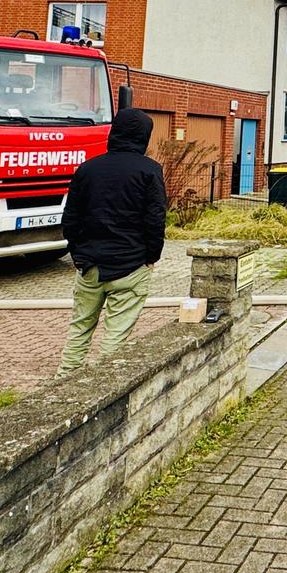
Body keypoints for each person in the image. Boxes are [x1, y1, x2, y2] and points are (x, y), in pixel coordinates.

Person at [55, 106, 167, 377]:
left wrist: (78, 254)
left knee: (79, 328)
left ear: (113, 132)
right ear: (144, 137)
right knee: (115, 340)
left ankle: (62, 383)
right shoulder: (149, 171)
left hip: (90, 266)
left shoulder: (87, 169)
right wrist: (151, 257)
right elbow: (155, 220)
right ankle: (103, 390)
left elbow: (70, 219)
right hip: (131, 266)